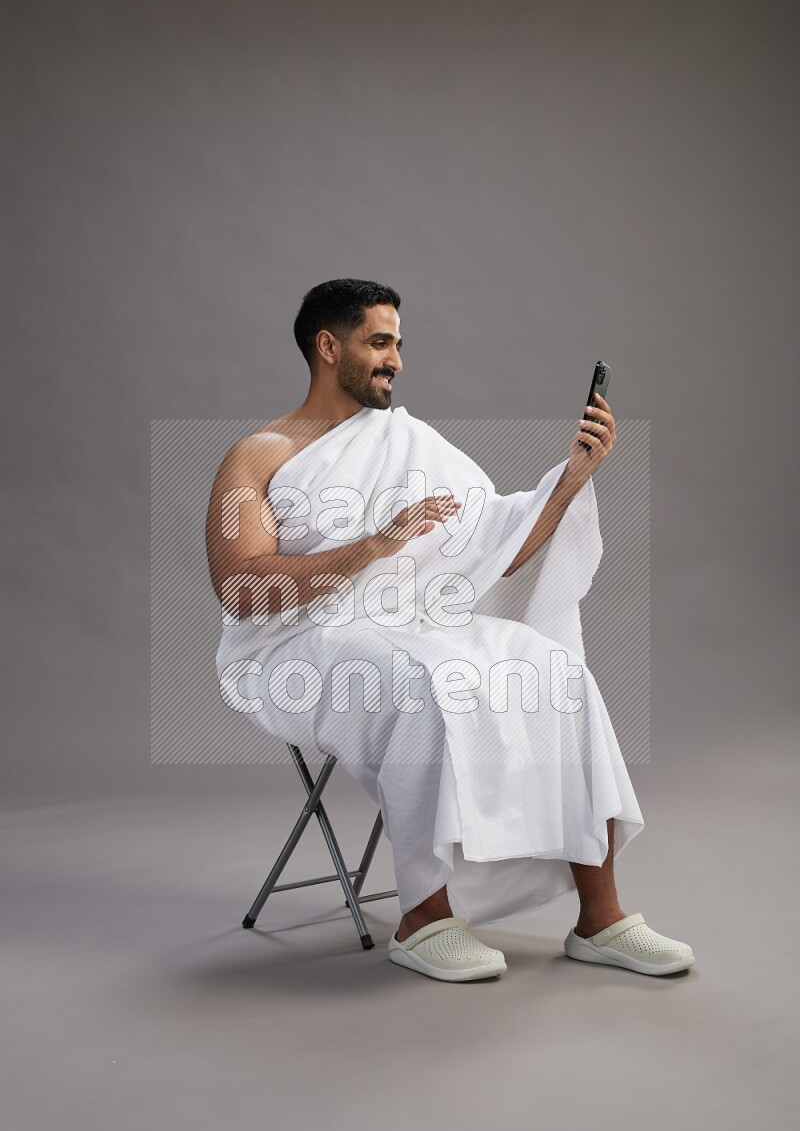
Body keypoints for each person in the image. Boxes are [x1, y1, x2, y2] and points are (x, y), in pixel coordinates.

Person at [205, 278, 695, 983]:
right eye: (380, 343)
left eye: (398, 344)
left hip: (414, 621)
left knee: (552, 668)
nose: (396, 361)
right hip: (298, 644)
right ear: (328, 346)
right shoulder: (258, 455)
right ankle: (424, 919)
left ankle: (600, 918)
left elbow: (496, 548)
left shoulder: (411, 442)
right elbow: (242, 586)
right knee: (421, 684)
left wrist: (570, 479)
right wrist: (370, 547)